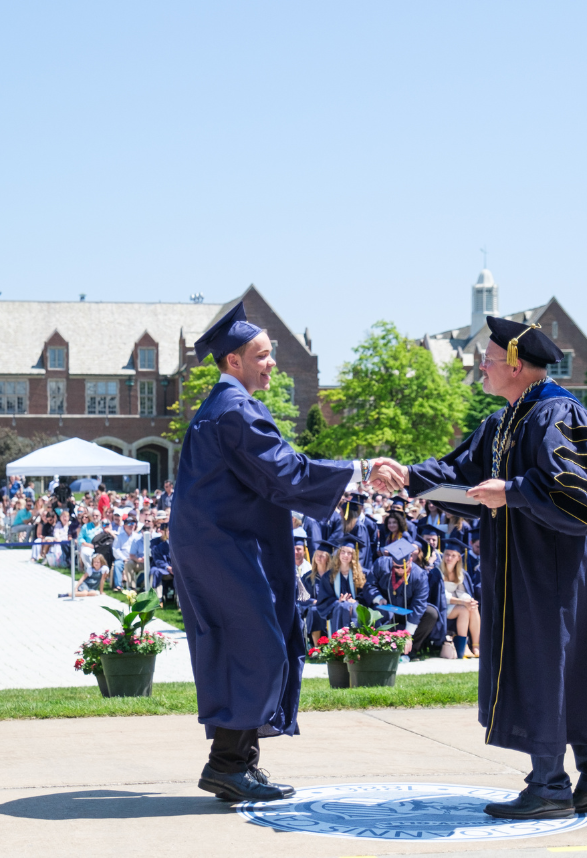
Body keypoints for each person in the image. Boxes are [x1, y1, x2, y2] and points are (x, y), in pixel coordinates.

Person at [169, 301, 402, 803]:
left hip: (227, 544)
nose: (272, 363)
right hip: (224, 548)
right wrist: (360, 471)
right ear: (234, 361)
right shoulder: (234, 410)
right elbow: (288, 473)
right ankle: (228, 766)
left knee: (256, 646)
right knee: (258, 649)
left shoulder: (229, 406)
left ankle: (238, 765)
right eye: (263, 354)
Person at [381, 316, 587, 820]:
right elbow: (460, 477)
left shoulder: (558, 414)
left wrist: (514, 491)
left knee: (556, 666)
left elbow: (582, 500)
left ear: (516, 364)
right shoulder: (501, 422)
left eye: (488, 357)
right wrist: (408, 476)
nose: (480, 364)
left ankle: (550, 787)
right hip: (520, 570)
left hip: (556, 574)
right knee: (556, 667)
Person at [362, 538, 437, 655]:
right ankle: (382, 650)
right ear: (392, 561)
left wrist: (408, 633)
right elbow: (369, 586)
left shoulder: (419, 575)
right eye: (396, 567)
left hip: (408, 613)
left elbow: (419, 604)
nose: (400, 570)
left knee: (431, 613)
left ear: (411, 560)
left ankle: (410, 651)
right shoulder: (381, 564)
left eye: (404, 567)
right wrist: (378, 598)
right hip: (386, 610)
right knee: (378, 612)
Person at [315, 535, 367, 636]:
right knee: (343, 606)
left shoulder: (363, 574)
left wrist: (356, 601)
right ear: (338, 554)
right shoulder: (328, 576)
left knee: (351, 606)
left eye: (349, 553)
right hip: (337, 612)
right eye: (343, 552)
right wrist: (337, 602)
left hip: (356, 611)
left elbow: (366, 595)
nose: (345, 555)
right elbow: (323, 600)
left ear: (353, 556)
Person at [440, 537, 479, 659]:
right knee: (463, 609)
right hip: (441, 606)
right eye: (447, 554)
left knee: (473, 608)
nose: (449, 558)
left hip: (456, 604)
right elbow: (441, 595)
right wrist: (462, 602)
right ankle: (463, 647)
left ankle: (476, 645)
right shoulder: (437, 571)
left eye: (453, 555)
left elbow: (461, 592)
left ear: (458, 558)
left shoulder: (461, 572)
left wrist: (469, 601)